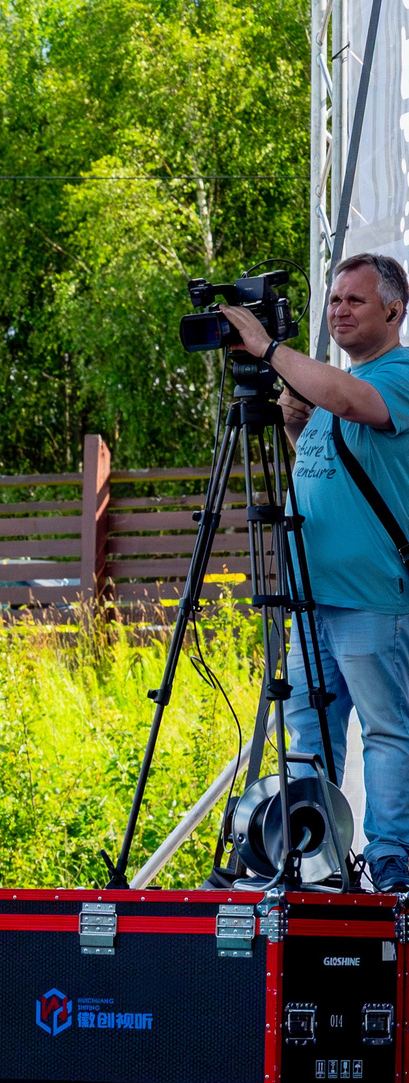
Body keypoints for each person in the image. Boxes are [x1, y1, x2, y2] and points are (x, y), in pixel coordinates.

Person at [222, 253, 409, 892]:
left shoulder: (397, 374)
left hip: (373, 597)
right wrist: (301, 432)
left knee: (386, 731)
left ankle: (392, 865)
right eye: (333, 301)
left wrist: (268, 347)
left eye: (355, 300)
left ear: (394, 309)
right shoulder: (332, 391)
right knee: (308, 732)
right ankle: (321, 859)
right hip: (310, 598)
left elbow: (359, 405)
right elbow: (334, 472)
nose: (338, 311)